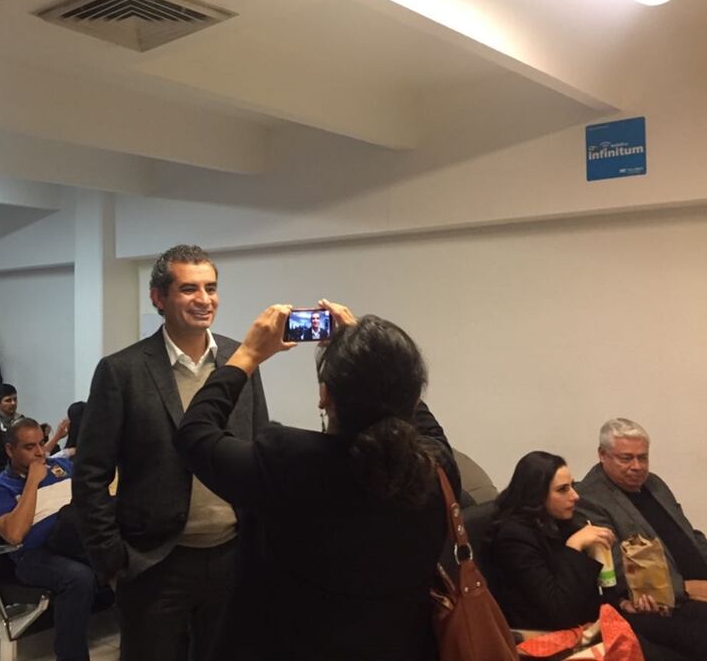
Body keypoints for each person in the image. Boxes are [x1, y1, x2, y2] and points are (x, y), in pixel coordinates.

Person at [171, 301, 457, 660]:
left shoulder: (288, 461)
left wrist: (246, 355)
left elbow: (194, 435)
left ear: (325, 396)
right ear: (414, 398)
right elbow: (425, 427)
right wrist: (377, 356)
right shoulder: (435, 469)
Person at [73, 244, 270, 661]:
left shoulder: (242, 361)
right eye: (188, 289)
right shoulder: (121, 371)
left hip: (231, 557)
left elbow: (259, 453)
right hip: (154, 562)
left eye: (210, 288)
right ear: (158, 298)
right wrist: (112, 561)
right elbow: (91, 473)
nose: (204, 299)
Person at [487, 451, 687, 661]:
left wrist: (623, 604)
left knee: (686, 635)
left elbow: (591, 590)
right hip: (552, 639)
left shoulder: (561, 522)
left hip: (590, 623)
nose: (575, 495)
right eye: (563, 490)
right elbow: (559, 610)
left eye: (572, 485)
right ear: (537, 495)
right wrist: (574, 547)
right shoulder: (514, 538)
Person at [577, 418, 707, 659]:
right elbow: (616, 569)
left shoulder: (654, 484)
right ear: (602, 455)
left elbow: (689, 534)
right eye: (626, 458)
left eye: (643, 457)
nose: (637, 466)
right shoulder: (590, 499)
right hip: (663, 603)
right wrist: (687, 589)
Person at [0, 418, 95, 661]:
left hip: (78, 540)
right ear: (9, 450)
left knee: (131, 551)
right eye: (29, 447)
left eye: (42, 444)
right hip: (36, 555)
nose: (39, 452)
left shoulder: (62, 467)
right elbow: (14, 535)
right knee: (78, 577)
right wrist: (32, 481)